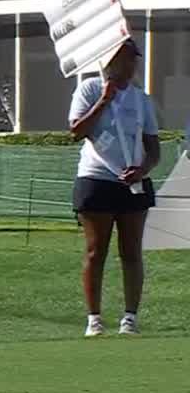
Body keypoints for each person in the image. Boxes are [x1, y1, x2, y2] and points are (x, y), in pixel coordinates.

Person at [69, 39, 159, 336]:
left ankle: (130, 318)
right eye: (127, 58)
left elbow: (153, 147)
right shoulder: (89, 89)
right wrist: (104, 101)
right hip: (97, 178)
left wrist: (142, 170)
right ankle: (94, 318)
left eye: (135, 59)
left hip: (133, 183)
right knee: (97, 251)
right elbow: (76, 130)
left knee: (131, 251)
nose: (132, 64)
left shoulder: (141, 100)